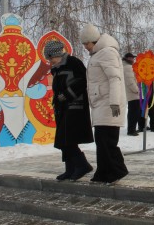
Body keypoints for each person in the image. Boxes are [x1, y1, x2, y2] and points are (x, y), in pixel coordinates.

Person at [80, 23, 128, 184]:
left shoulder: (107, 52)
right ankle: (103, 172)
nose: (85, 47)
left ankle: (117, 171)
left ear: (93, 40)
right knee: (102, 140)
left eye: (86, 43)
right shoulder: (98, 54)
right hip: (101, 103)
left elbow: (115, 79)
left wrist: (114, 102)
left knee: (106, 140)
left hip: (109, 103)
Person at [44, 40, 94, 182]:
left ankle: (82, 166)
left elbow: (83, 81)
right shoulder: (57, 68)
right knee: (63, 140)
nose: (50, 61)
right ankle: (70, 168)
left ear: (57, 54)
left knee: (67, 139)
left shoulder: (73, 62)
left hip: (75, 107)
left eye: (51, 58)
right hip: (62, 108)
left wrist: (66, 95)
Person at [122, 52, 140, 136]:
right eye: (132, 58)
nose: (133, 59)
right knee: (134, 112)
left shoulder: (126, 66)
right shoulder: (128, 67)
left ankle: (132, 129)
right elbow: (130, 82)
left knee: (133, 112)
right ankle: (131, 130)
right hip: (132, 94)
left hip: (131, 93)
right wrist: (137, 90)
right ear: (128, 58)